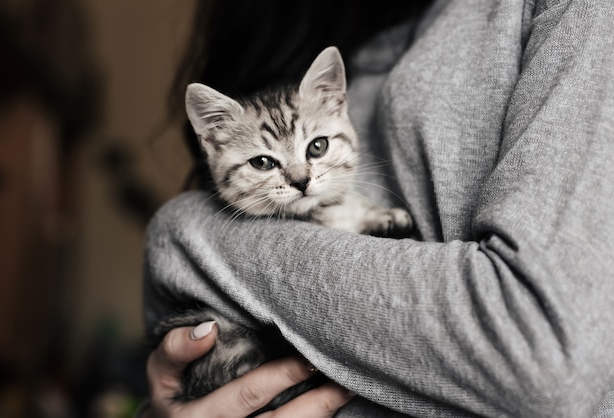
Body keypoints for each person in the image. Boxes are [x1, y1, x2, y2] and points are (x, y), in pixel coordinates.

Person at [142, 0, 614, 416]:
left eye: (316, 149)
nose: (302, 177)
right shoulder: (277, 28)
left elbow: (540, 357)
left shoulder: (577, 13)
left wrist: (186, 232)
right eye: (266, 161)